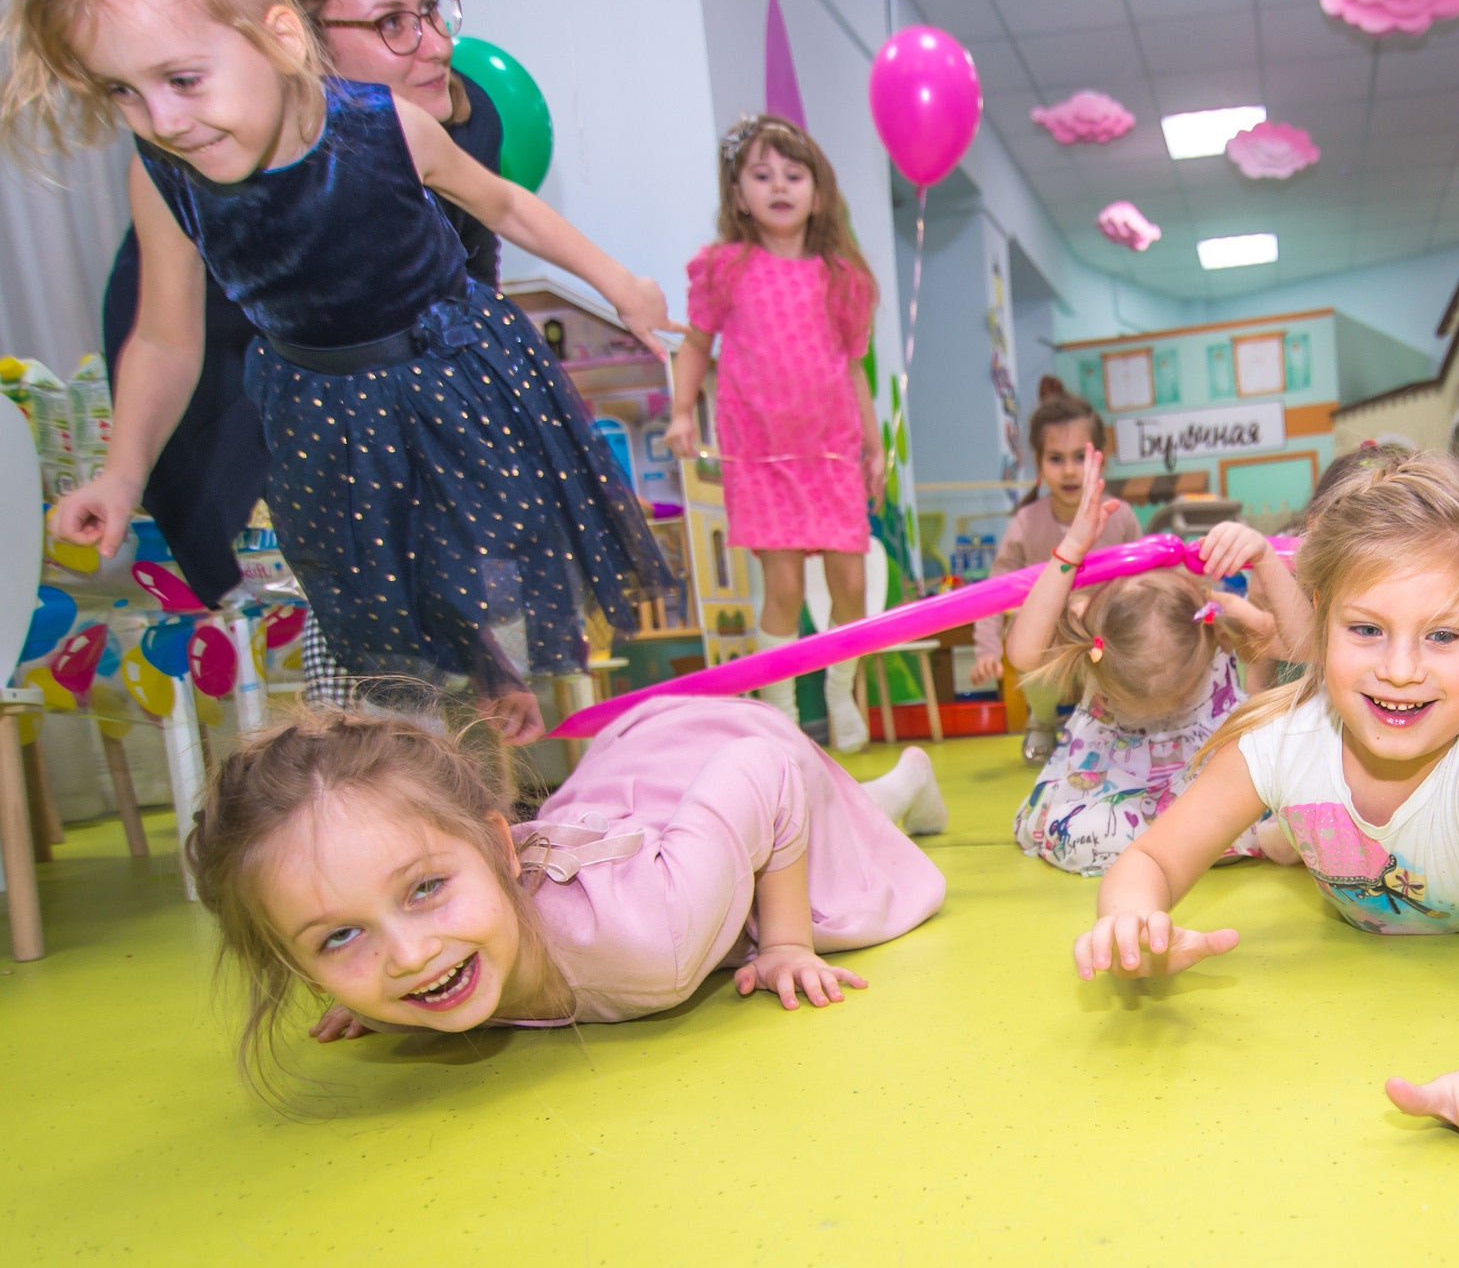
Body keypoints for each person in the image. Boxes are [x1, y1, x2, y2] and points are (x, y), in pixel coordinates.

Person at [9, 0, 673, 743]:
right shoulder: (166, 175)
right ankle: (412, 762)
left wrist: (621, 285)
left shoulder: (380, 125)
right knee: (374, 634)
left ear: (279, 35)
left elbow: (504, 203)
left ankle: (494, 705)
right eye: (123, 92)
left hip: (451, 383)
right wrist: (121, 473)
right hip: (325, 417)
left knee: (483, 587)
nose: (163, 120)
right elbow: (166, 341)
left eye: (183, 79)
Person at [1071, 451, 1459, 1201]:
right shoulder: (1281, 739)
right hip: (1365, 866)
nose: (1401, 669)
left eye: (1444, 636)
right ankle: (1291, 839)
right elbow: (1152, 859)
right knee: (1281, 838)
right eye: (1366, 628)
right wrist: (1132, 921)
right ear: (1320, 616)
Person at [95, 0, 509, 704]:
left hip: (402, 432)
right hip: (261, 444)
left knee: (465, 661)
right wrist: (121, 473)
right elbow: (167, 341)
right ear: (289, 43)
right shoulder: (205, 164)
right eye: (391, 24)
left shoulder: (462, 121)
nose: (435, 44)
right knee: (374, 682)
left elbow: (467, 296)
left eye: (431, 10)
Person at [185, 694, 947, 1104]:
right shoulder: (413, 967)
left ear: (499, 845)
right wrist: (376, 1000)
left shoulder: (651, 932)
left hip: (707, 751)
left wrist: (783, 941)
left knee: (850, 831)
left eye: (426, 888)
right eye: (339, 936)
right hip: (627, 796)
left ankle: (907, 779)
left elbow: (766, 769)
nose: (410, 955)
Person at [665, 114, 885, 751]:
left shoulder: (841, 277)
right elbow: (697, 345)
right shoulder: (726, 268)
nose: (780, 186)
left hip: (831, 452)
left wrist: (874, 447)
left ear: (818, 193)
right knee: (783, 587)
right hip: (762, 455)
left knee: (851, 584)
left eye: (794, 174)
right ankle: (781, 711)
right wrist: (682, 412)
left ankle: (841, 689)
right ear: (739, 195)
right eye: (762, 176)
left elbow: (854, 368)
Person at [1006, 449, 1306, 875]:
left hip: (1205, 779)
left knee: (1272, 795)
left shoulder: (1217, 619)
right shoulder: (1097, 627)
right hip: (1114, 782)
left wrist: (1265, 558)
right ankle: (1239, 838)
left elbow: (1304, 643)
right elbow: (1023, 653)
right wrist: (1069, 549)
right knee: (1075, 827)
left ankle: (1212, 836)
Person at [969, 379, 1141, 763]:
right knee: (1030, 640)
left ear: (1100, 460)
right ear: (1039, 463)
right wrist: (986, 650)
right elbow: (995, 592)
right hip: (1048, 642)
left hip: (1105, 636)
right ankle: (1043, 719)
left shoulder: (1120, 517)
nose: (1069, 471)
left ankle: (1112, 722)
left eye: (1080, 457)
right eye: (1056, 459)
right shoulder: (1026, 524)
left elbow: (1144, 585)